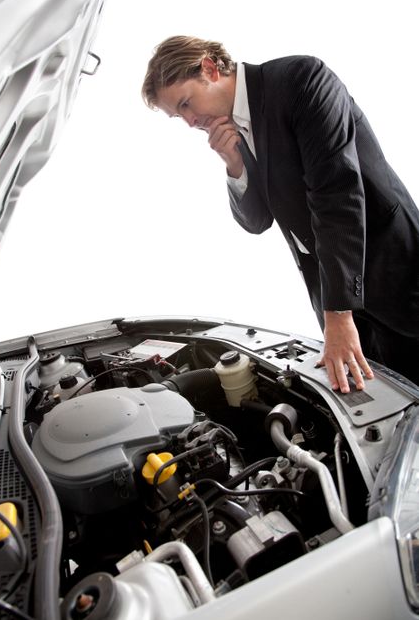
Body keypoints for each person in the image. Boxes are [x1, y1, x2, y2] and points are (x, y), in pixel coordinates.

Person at [142, 36, 419, 392]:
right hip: (333, 291)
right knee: (382, 411)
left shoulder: (301, 79)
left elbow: (337, 193)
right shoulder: (230, 127)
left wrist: (338, 313)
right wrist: (235, 165)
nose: (190, 121)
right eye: (178, 115)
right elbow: (257, 222)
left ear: (209, 68)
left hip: (392, 273)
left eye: (185, 103)